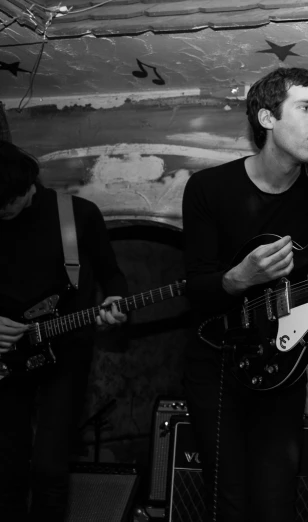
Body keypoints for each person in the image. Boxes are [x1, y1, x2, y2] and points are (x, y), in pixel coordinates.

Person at [182, 67, 308, 521]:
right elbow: (194, 289)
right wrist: (238, 279)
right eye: (306, 107)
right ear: (266, 118)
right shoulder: (207, 189)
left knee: (277, 501)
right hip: (216, 359)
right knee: (228, 500)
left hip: (284, 361)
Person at [0, 141, 128, 521]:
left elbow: (112, 275)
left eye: (8, 202)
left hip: (66, 352)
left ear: (28, 186)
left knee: (50, 468)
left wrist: (116, 303)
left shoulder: (78, 215)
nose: (1, 212)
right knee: (6, 470)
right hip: (5, 360)